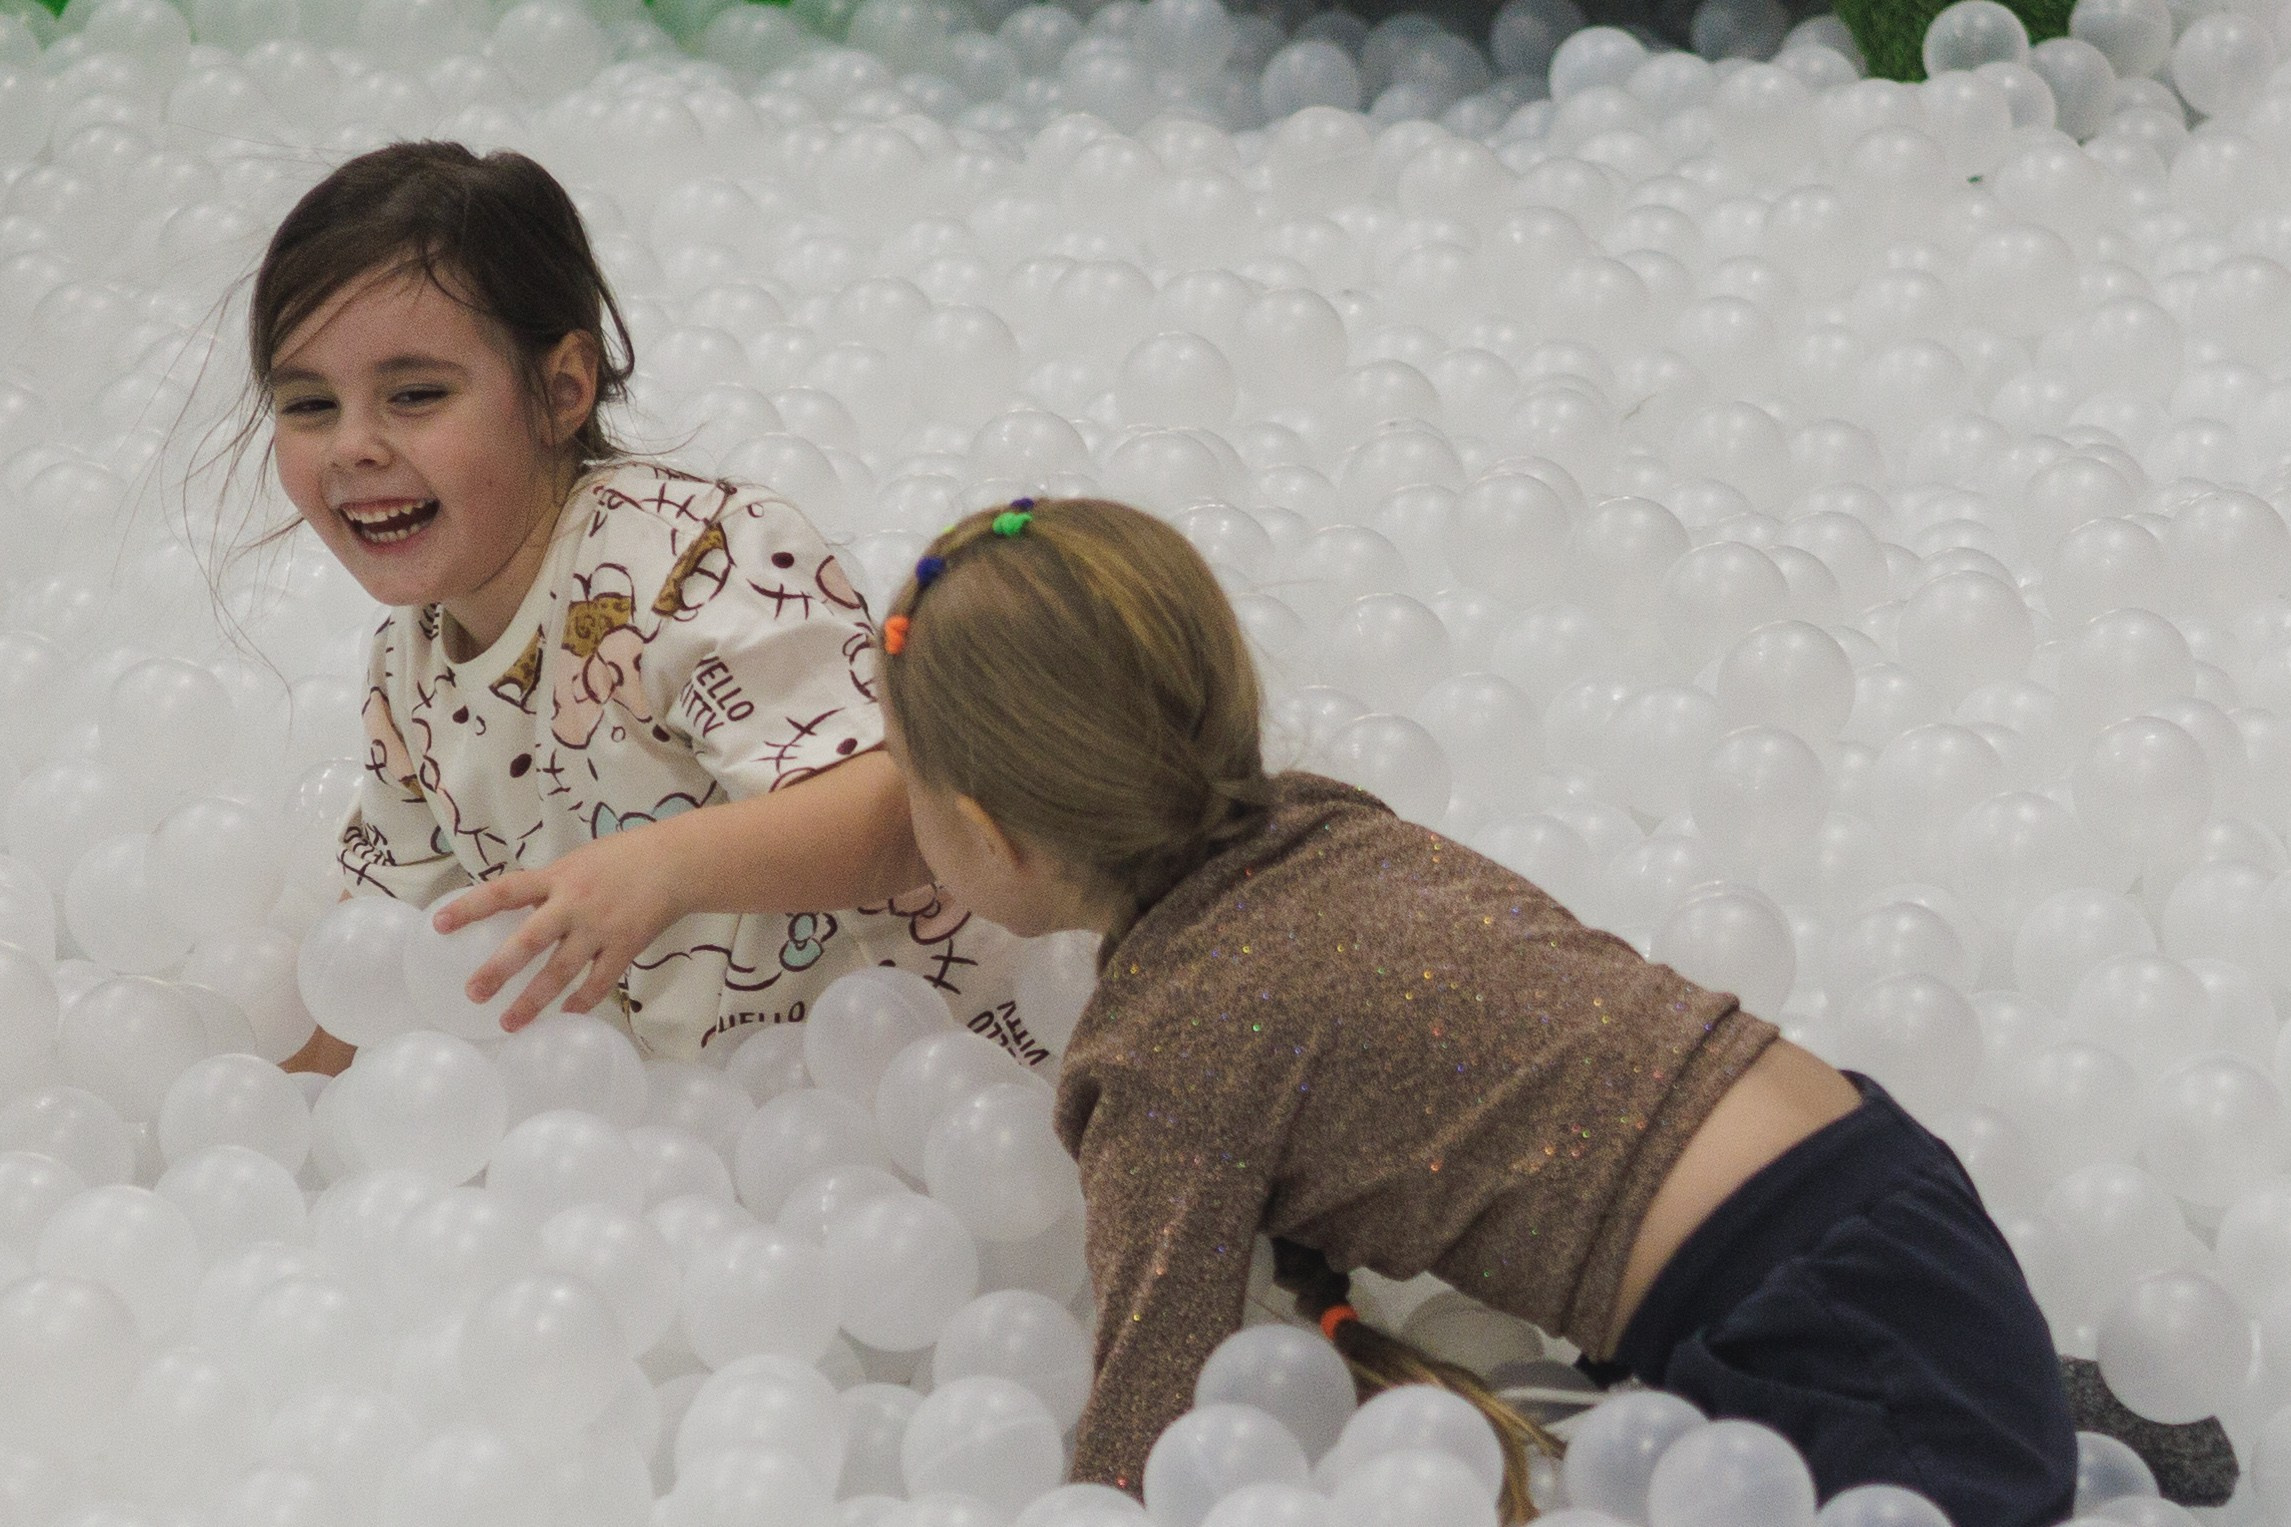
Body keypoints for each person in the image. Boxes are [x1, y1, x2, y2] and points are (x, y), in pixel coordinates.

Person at [871, 498, 2079, 1526]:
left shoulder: (1160, 1048)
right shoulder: (1321, 818)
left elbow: (1151, 1413)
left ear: (982, 833)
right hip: (1887, 1192)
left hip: (1809, 1328)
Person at [241, 140, 1022, 1070]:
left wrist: (663, 866)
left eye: (415, 394)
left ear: (563, 389)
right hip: (717, 1123)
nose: (353, 446)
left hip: (945, 1060)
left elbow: (903, 808)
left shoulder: (689, 559)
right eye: (308, 405)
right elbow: (378, 952)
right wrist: (286, 1114)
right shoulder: (407, 668)